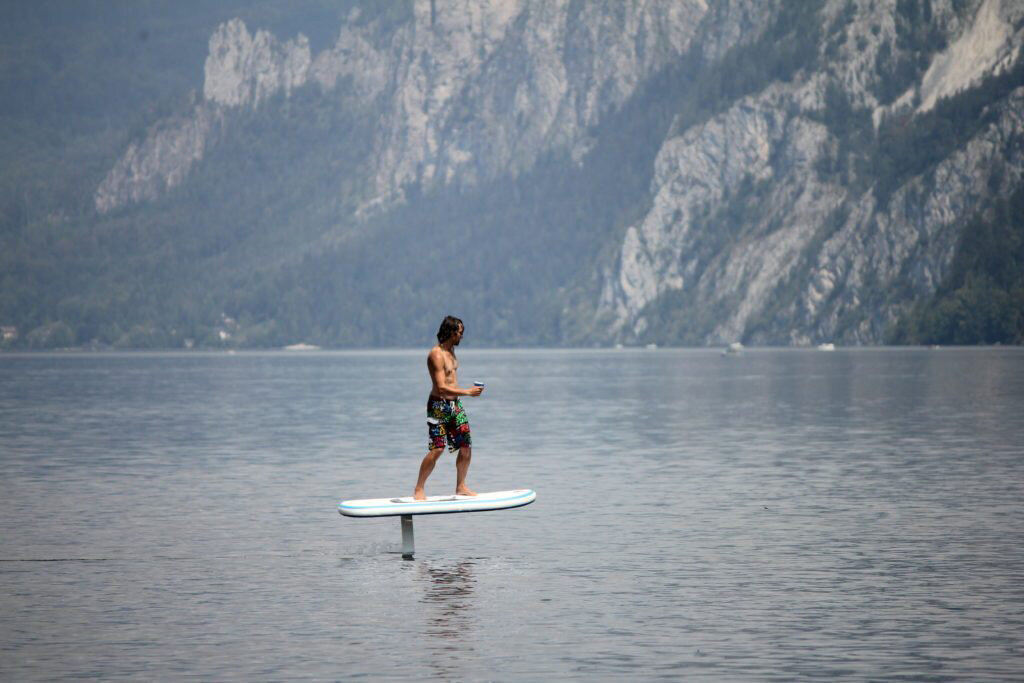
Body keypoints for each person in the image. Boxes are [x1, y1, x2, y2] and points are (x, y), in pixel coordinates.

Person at [413, 316, 483, 501]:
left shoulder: (451, 351)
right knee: (438, 449)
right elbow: (441, 387)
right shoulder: (436, 355)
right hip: (438, 405)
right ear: (451, 332)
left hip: (455, 406)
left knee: (466, 446)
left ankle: (461, 486)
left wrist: (463, 395)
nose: (462, 336)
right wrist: (468, 392)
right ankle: (419, 488)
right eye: (460, 332)